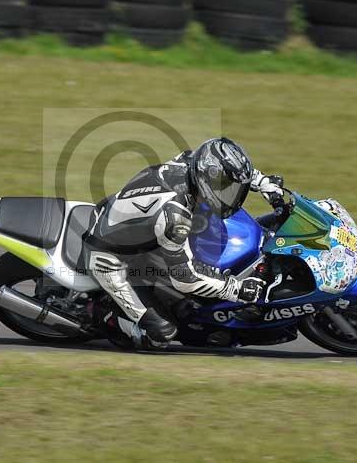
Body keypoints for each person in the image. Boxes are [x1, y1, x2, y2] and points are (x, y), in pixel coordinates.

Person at [83, 137, 285, 347]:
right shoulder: (176, 219)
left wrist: (265, 185)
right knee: (161, 334)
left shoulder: (191, 161)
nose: (230, 194)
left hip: (127, 223)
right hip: (111, 259)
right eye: (225, 188)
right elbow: (184, 278)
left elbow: (234, 172)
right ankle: (100, 314)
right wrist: (236, 289)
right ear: (206, 180)